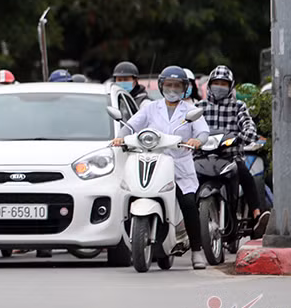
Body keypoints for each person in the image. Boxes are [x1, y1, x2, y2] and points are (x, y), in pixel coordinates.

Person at [111, 65, 211, 269]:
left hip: (180, 166)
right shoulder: (150, 108)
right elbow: (131, 125)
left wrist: (197, 141)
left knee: (189, 204)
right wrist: (120, 137)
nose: (172, 89)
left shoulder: (190, 111)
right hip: (154, 161)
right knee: (135, 193)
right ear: (161, 86)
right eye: (168, 85)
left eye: (177, 86)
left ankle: (197, 251)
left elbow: (202, 132)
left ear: (184, 88)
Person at [199, 65, 271, 238]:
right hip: (203, 157)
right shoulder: (199, 107)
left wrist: (246, 135)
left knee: (246, 175)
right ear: (209, 84)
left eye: (224, 83)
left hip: (230, 156)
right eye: (216, 82)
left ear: (230, 86)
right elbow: (187, 126)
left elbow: (248, 124)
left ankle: (256, 214)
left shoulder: (238, 106)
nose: (219, 86)